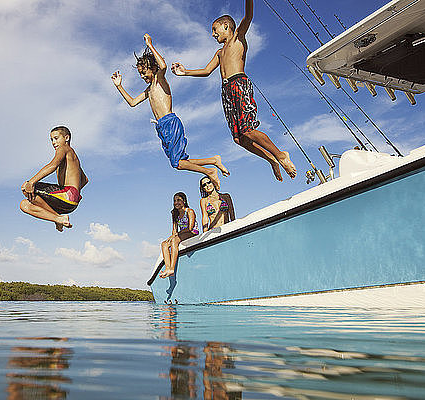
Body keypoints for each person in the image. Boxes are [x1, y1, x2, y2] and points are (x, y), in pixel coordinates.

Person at [171, 0, 297, 182]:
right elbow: (207, 71)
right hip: (226, 91)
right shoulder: (219, 53)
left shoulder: (238, 37)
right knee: (239, 139)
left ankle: (280, 155)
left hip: (239, 84)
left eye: (215, 30)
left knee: (247, 129)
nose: (213, 34)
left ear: (225, 26)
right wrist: (185, 72)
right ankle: (271, 159)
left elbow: (248, 16)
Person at [111, 33, 229, 190]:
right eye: (140, 73)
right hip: (161, 127)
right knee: (180, 161)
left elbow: (164, 66)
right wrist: (119, 86)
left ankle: (210, 171)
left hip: (170, 122)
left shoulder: (160, 79)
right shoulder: (148, 90)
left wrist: (150, 45)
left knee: (178, 163)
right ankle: (213, 160)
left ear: (153, 68)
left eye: (144, 72)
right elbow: (132, 102)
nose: (142, 76)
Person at [20, 126, 88, 232]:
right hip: (71, 203)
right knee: (25, 205)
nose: (53, 142)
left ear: (66, 138)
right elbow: (85, 180)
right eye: (51, 140)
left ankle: (59, 218)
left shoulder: (64, 148)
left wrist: (32, 181)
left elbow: (53, 165)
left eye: (56, 138)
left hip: (67, 195)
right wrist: (76, 194)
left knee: (26, 188)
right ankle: (58, 218)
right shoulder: (74, 157)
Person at [159, 192, 199, 279]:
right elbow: (174, 230)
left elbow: (190, 228)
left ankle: (172, 269)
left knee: (174, 241)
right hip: (181, 234)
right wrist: (172, 236)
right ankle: (168, 268)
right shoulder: (174, 213)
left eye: (179, 200)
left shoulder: (189, 211)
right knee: (164, 244)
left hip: (192, 232)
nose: (176, 202)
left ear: (184, 201)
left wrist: (176, 235)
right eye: (174, 201)